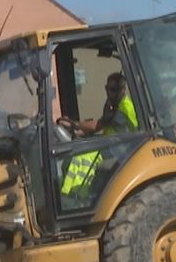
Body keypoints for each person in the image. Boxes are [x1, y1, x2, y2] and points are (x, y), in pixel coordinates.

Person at [58, 72, 138, 205]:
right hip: (112, 142)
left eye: (113, 90)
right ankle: (68, 194)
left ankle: (77, 198)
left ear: (122, 90)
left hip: (122, 148)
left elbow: (99, 124)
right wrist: (78, 132)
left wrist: (75, 123)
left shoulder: (125, 108)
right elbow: (101, 124)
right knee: (80, 145)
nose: (109, 93)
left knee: (83, 155)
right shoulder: (115, 104)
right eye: (107, 88)